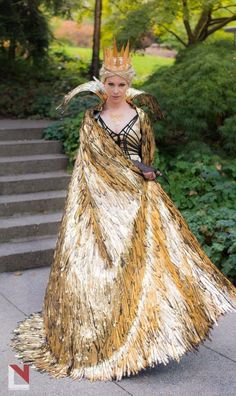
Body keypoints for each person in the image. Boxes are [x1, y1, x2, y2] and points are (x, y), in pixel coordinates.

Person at [10, 41, 236, 382]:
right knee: (106, 266)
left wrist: (146, 172)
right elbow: (86, 165)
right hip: (102, 201)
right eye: (110, 83)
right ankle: (104, 334)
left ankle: (142, 335)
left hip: (137, 200)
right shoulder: (92, 119)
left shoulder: (141, 116)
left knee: (142, 267)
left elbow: (147, 154)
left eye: (121, 84)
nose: (116, 90)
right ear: (102, 84)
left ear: (129, 85)